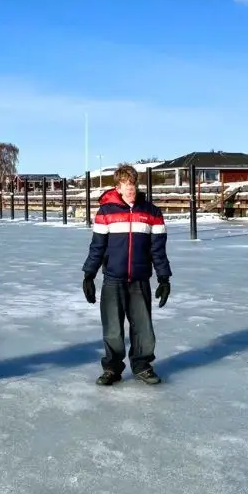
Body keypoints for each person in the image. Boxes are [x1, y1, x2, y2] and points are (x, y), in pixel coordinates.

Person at [82, 163, 172, 386]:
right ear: (118, 187)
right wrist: (89, 274)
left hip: (140, 279)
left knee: (143, 327)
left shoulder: (152, 212)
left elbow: (158, 250)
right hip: (113, 278)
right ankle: (112, 368)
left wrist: (164, 278)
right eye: (125, 184)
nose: (130, 188)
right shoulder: (105, 212)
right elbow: (97, 247)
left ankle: (142, 365)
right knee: (113, 328)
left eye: (133, 184)